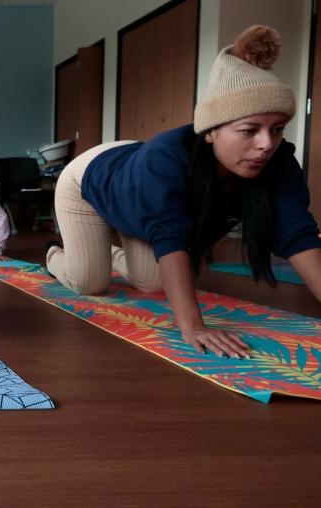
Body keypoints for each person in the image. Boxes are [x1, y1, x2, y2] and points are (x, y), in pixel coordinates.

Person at [45, 25, 321, 359]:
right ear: (210, 132)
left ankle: (112, 252)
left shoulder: (278, 161)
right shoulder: (167, 157)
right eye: (249, 130)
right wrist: (192, 325)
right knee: (91, 283)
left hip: (137, 190)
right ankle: (55, 256)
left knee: (153, 283)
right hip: (88, 179)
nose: (266, 144)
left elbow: (299, 235)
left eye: (276, 130)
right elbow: (169, 234)